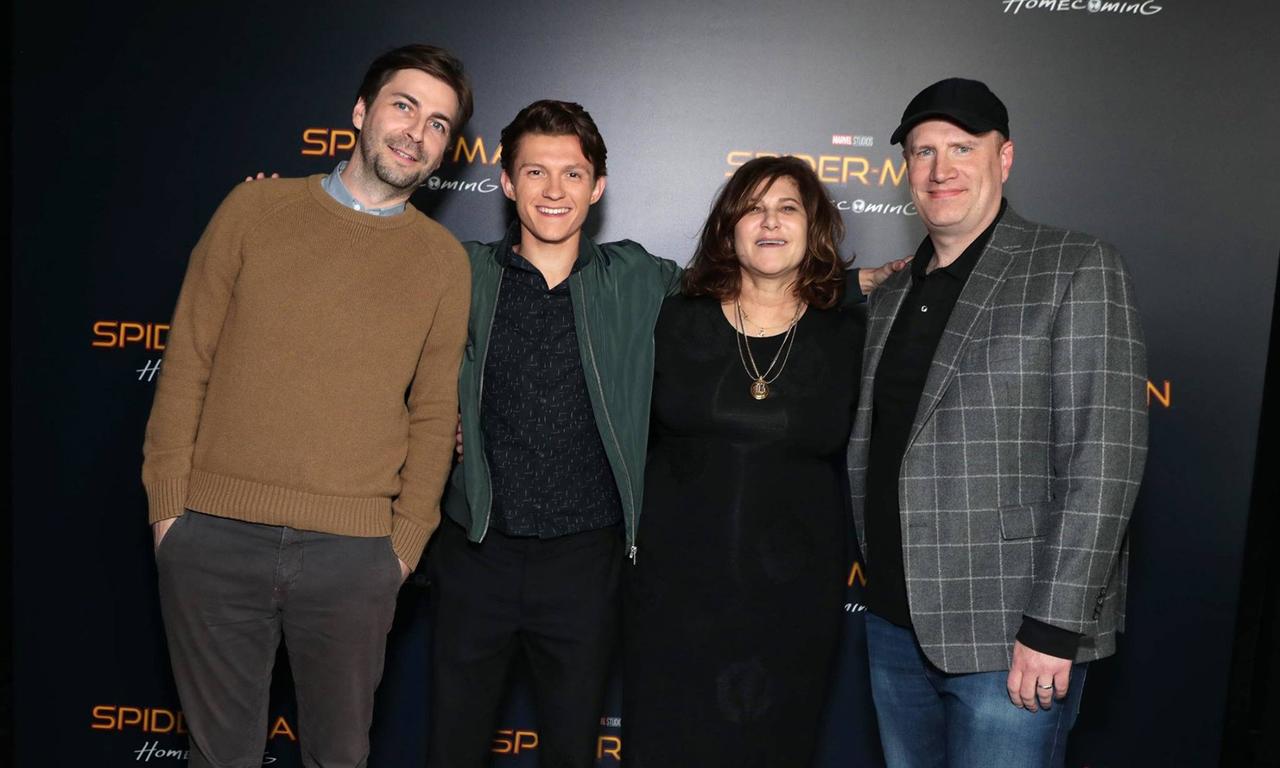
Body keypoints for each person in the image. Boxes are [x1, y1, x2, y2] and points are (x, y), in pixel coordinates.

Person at [434, 103, 902, 767]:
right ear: (506, 182)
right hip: (491, 554)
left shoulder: (637, 281)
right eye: (535, 171)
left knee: (576, 749)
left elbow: (776, 290)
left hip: (599, 565)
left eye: (572, 173)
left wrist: (866, 281)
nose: (554, 189)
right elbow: (391, 322)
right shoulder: (464, 272)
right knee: (451, 745)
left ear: (598, 187)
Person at [140, 44, 473, 768]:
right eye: (404, 106)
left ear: (447, 150)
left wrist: (404, 544)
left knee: (339, 758)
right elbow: (188, 359)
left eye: (440, 124)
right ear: (361, 111)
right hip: (214, 541)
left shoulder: (444, 262)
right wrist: (170, 512)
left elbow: (432, 412)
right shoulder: (255, 208)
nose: (417, 132)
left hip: (354, 559)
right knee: (219, 757)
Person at [846, 77, 1148, 767]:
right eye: (923, 152)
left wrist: (1053, 627)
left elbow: (1105, 458)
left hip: (1010, 636)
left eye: (960, 147)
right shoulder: (892, 295)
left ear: (1003, 158)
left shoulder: (1075, 266)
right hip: (893, 628)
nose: (939, 169)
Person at [622, 155, 866, 767]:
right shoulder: (673, 318)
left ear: (813, 228)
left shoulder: (850, 334)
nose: (769, 222)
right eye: (752, 209)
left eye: (788, 208)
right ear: (729, 227)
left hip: (792, 603)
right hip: (674, 595)